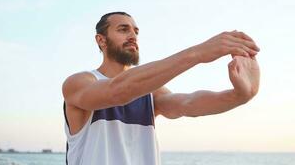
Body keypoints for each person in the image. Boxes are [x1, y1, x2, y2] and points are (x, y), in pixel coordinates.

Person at [62, 12, 260, 165]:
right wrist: (198, 53)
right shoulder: (79, 83)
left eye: (135, 31)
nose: (132, 35)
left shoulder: (150, 92)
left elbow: (188, 103)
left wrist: (239, 96)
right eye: (123, 29)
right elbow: (117, 91)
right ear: (101, 40)